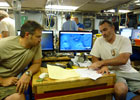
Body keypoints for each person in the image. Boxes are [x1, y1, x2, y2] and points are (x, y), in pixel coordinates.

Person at [89, 20, 140, 100]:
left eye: (105, 30)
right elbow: (94, 58)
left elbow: (123, 60)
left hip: (128, 71)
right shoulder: (99, 41)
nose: (103, 34)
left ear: (112, 28)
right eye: (101, 31)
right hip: (113, 72)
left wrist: (102, 63)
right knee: (121, 90)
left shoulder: (124, 40)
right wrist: (103, 66)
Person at [0, 20, 43, 100]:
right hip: (2, 81)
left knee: (19, 96)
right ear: (27, 35)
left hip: (10, 82)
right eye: (38, 36)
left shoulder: (36, 45)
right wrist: (2, 81)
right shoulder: (3, 45)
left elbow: (37, 63)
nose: (40, 39)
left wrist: (27, 74)